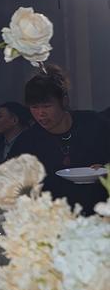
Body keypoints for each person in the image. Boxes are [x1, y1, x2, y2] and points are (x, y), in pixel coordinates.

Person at [23, 66, 109, 215]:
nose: (40, 113)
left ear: (64, 101)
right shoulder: (28, 141)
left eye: (47, 106)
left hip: (100, 212)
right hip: (53, 217)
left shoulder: (95, 124)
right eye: (34, 107)